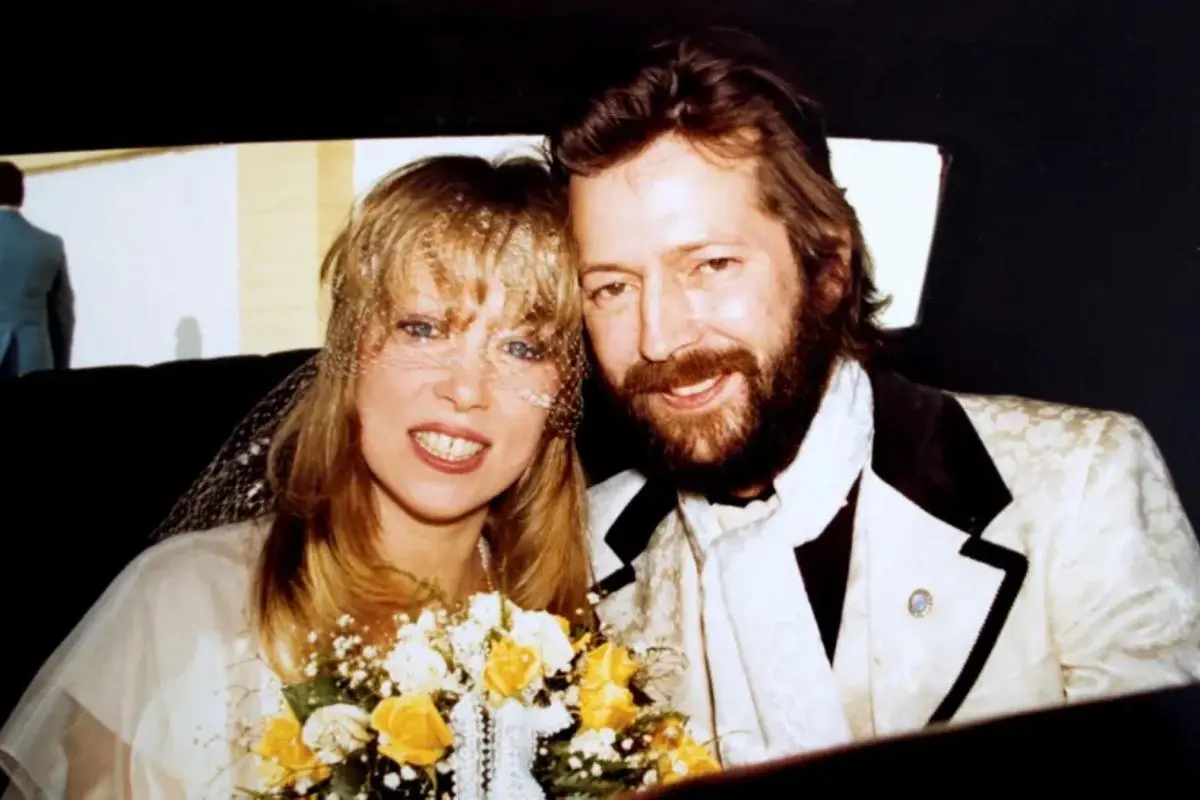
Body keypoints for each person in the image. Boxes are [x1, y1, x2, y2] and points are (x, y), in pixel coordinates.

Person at [549, 28, 1200, 768]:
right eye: (610, 287)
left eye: (711, 265)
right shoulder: (580, 557)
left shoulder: (1077, 486)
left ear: (826, 267)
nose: (658, 336)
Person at [0, 155, 593, 798]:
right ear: (351, 351)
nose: (466, 389)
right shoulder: (186, 614)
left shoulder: (585, 638)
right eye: (422, 330)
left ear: (565, 391)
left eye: (523, 348)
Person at [0, 161, 75, 379]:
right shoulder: (49, 244)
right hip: (35, 360)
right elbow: (63, 315)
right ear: (21, 195)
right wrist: (61, 367)